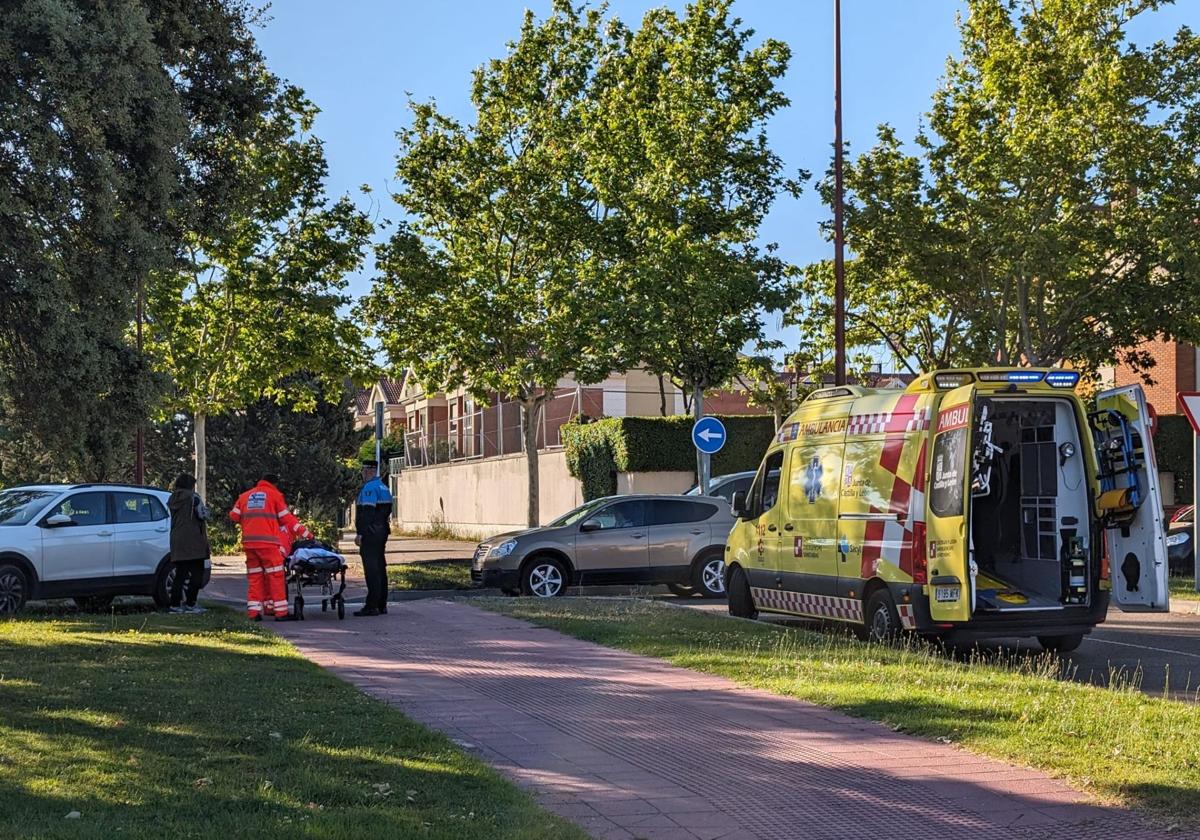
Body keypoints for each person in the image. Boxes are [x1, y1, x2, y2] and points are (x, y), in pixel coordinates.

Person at [229, 473, 310, 622]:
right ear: (274, 484)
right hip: (268, 544)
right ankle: (281, 613)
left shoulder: (245, 496)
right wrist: (305, 533)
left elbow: (234, 516)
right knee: (276, 576)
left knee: (255, 578)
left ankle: (253, 613)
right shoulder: (274, 495)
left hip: (249, 544)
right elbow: (287, 519)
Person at [354, 459, 393, 617]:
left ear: (370, 470)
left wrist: (361, 533)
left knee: (371, 570)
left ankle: (372, 605)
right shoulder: (384, 487)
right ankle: (382, 604)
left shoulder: (369, 488)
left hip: (371, 533)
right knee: (380, 568)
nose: (362, 474)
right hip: (382, 531)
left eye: (364, 471)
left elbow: (368, 513)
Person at [167, 473, 210, 614]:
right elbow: (203, 515)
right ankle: (191, 603)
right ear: (191, 485)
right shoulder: (194, 498)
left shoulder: (172, 498)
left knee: (180, 574)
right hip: (194, 540)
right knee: (197, 574)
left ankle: (174, 604)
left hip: (177, 539)